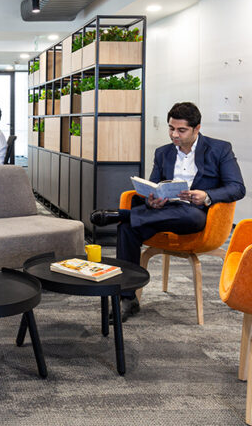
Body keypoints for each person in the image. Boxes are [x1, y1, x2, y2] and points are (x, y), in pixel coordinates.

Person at [90, 101, 245, 322]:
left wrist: (206, 195)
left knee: (187, 215)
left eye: (181, 130)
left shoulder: (220, 149)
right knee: (127, 229)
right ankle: (127, 299)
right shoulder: (163, 153)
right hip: (164, 210)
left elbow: (237, 187)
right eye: (171, 128)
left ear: (197, 128)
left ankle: (124, 214)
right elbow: (153, 186)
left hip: (196, 214)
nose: (175, 135)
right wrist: (152, 199)